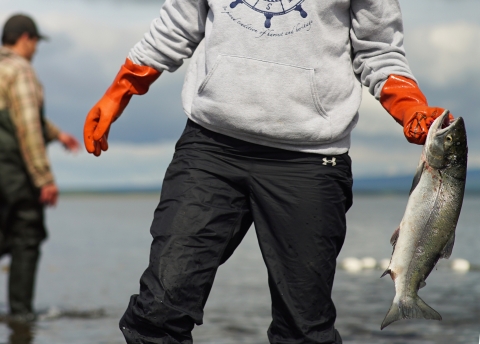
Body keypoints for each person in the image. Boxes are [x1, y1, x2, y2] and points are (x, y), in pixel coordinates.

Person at [84, 1, 452, 343]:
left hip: (311, 159)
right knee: (159, 311)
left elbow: (379, 50)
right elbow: (178, 23)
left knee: (304, 330)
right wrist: (121, 89)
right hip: (210, 149)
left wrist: (410, 108)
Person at [0, 14, 79, 322]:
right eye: (35, 43)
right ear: (26, 39)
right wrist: (44, 178)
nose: (35, 50)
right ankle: (21, 319)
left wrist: (57, 134)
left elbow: (20, 116)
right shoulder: (20, 70)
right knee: (26, 234)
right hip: (12, 170)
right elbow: (27, 126)